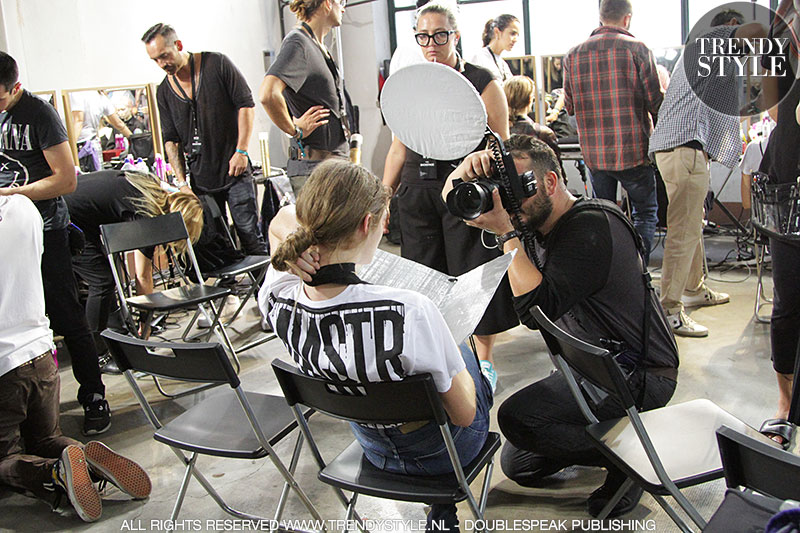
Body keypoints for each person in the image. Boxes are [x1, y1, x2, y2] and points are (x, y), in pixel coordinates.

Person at [443, 134, 678, 518]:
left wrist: (507, 232)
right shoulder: (533, 219)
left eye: (519, 188)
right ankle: (619, 438)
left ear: (550, 182)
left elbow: (535, 311)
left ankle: (634, 459)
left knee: (517, 419)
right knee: (520, 465)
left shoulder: (590, 227)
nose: (511, 200)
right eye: (504, 190)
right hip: (587, 368)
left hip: (637, 373)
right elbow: (454, 204)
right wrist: (463, 172)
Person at [259, 159, 492, 532]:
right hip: (440, 455)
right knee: (464, 357)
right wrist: (461, 355)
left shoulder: (276, 296)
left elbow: (280, 221)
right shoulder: (410, 309)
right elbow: (464, 416)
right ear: (369, 225)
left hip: (371, 447)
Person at [382, 2, 515, 391]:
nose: (432, 44)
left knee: (472, 277)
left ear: (455, 36)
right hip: (417, 191)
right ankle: (442, 360)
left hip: (465, 191)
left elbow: (501, 143)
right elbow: (398, 147)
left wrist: (482, 164)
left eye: (439, 35)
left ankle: (483, 362)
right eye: (423, 36)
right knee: (423, 279)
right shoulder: (411, 81)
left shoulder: (481, 80)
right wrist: (381, 196)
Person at [0, 193, 151, 522]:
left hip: (3, 368)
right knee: (45, 437)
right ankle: (81, 455)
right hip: (40, 355)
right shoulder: (23, 209)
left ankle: (54, 473)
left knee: (5, 457)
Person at [0, 51, 110, 436]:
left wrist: (17, 194)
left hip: (47, 232)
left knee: (65, 315)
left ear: (15, 87)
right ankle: (30, 411)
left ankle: (95, 395)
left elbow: (66, 180)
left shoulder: (39, 115)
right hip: (6, 236)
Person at [648, 10, 765, 337]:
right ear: (729, 28)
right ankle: (670, 309)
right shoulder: (712, 43)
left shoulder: (700, 58)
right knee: (683, 231)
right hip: (684, 149)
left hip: (676, 149)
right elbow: (754, 31)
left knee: (691, 222)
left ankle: (694, 287)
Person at [141, 23, 266, 256]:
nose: (161, 64)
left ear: (178, 45)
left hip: (235, 170)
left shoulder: (216, 64)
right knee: (216, 242)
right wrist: (181, 182)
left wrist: (242, 151)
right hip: (202, 179)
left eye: (164, 56)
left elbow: (246, 105)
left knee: (249, 234)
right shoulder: (164, 92)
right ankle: (233, 292)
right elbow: (171, 139)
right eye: (155, 60)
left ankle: (266, 290)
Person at [563, 0, 663, 264]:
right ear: (627, 19)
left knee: (605, 217)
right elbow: (656, 102)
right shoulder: (638, 49)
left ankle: (612, 273)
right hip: (633, 152)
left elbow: (569, 108)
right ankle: (637, 268)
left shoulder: (573, 55)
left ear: (600, 16)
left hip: (595, 156)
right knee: (644, 212)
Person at [65, 171, 203, 343]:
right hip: (67, 217)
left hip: (74, 207)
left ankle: (115, 337)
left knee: (106, 277)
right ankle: (96, 351)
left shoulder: (151, 186)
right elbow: (143, 277)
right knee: (102, 281)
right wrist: (146, 326)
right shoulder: (147, 215)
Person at [756, 0, 800, 448]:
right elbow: (771, 111)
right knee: (788, 305)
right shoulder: (781, 45)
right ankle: (785, 405)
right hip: (790, 195)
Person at [260, 0, 350, 195]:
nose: (343, 7)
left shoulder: (317, 46)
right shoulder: (298, 43)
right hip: (315, 170)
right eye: (340, 1)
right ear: (327, 3)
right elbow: (268, 94)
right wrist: (295, 130)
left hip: (331, 167)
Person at [70, 90, 132, 173]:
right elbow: (119, 123)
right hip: (93, 146)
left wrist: (69, 148)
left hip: (81, 146)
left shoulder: (76, 93)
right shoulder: (100, 96)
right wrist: (134, 139)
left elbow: (78, 121)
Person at [469, 14, 519, 83]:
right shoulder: (479, 58)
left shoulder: (504, 64)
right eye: (513, 34)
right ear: (497, 32)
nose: (516, 39)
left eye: (517, 35)